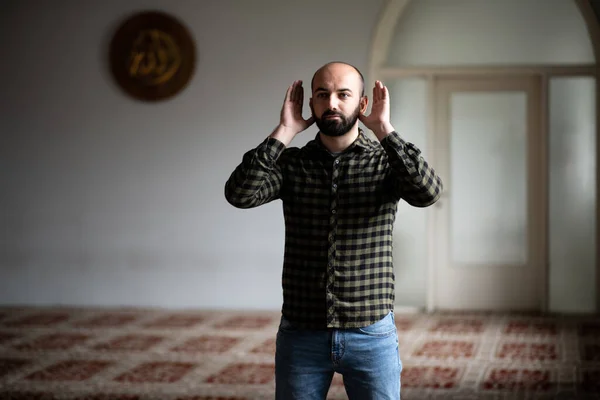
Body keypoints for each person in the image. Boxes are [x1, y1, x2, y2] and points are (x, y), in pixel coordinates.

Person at [224, 61, 443, 399]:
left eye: (344, 94)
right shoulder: (293, 163)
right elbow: (240, 194)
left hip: (371, 331)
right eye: (322, 95)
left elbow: (428, 193)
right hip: (301, 331)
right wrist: (284, 130)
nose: (332, 104)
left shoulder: (386, 162)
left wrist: (385, 130)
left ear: (363, 103)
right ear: (310, 104)